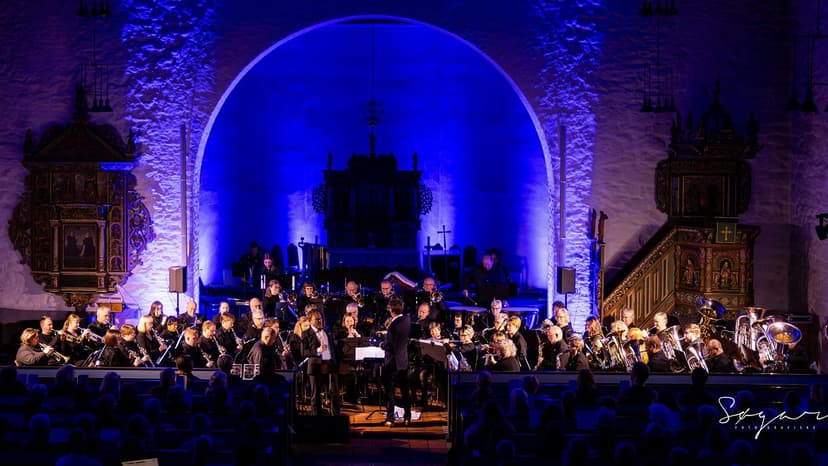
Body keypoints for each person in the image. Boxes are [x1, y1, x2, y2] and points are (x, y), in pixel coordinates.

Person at [301, 309, 340, 416]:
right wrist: (318, 350)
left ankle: (336, 416)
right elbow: (303, 352)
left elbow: (332, 349)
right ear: (310, 321)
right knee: (316, 393)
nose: (320, 321)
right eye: (317, 319)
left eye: (321, 318)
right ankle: (316, 417)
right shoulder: (306, 334)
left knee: (334, 391)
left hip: (329, 364)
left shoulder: (326, 331)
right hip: (315, 366)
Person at [383, 296, 411, 426]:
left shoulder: (393, 325)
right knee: (405, 390)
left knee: (390, 390)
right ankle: (407, 416)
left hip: (392, 362)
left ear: (391, 310)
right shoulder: (407, 320)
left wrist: (381, 344)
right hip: (403, 360)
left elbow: (390, 345)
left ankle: (390, 418)